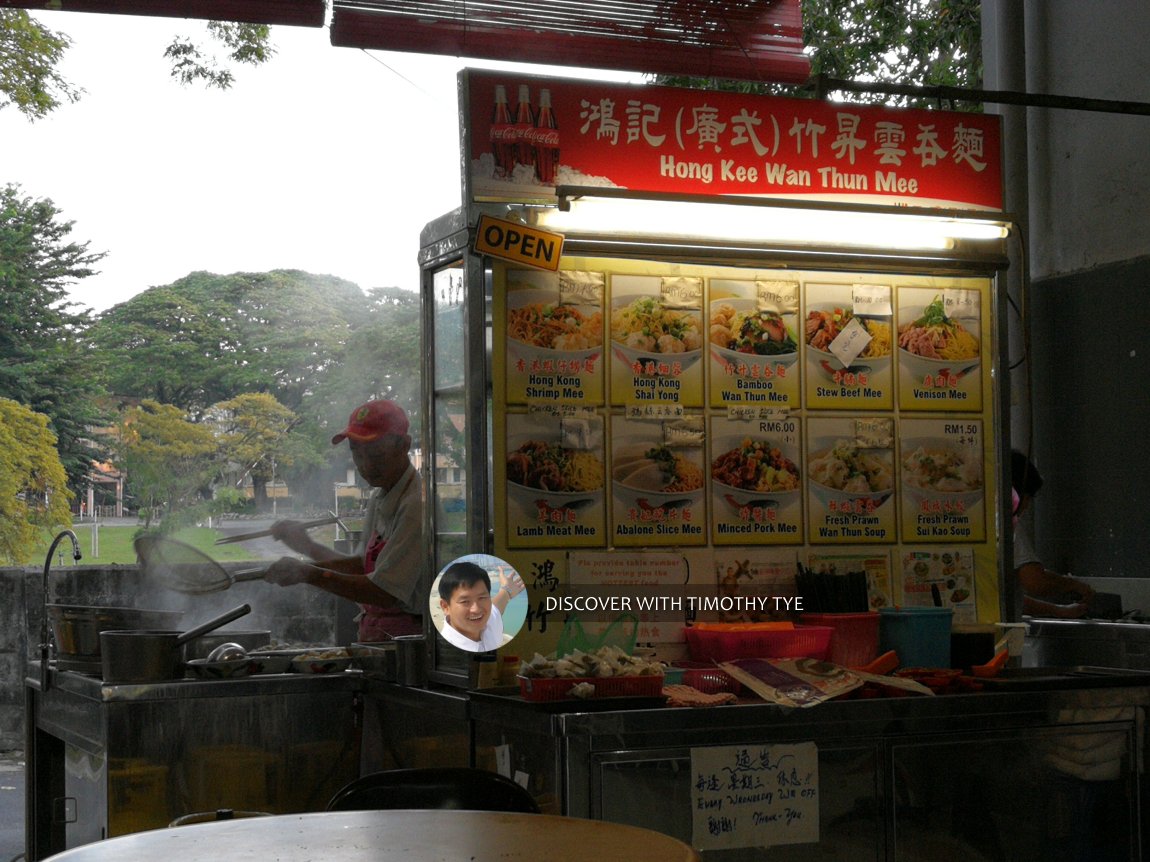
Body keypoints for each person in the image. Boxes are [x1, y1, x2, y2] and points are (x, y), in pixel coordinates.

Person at [264, 399, 424, 641]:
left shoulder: (417, 504)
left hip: (412, 643)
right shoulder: (380, 496)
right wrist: (307, 546)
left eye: (375, 454)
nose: (365, 465)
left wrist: (309, 574)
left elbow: (384, 591)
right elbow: (361, 567)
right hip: (377, 641)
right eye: (357, 454)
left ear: (404, 445)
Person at [1011, 450, 1094, 618]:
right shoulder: (1007, 525)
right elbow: (1035, 582)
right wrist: (1073, 585)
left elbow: (1012, 600)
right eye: (1029, 496)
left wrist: (1060, 611)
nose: (1027, 506)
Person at [436, 560, 525, 652]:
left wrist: (507, 590)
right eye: (465, 601)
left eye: (482, 598)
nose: (476, 609)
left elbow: (497, 605)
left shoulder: (489, 621)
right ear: (445, 606)